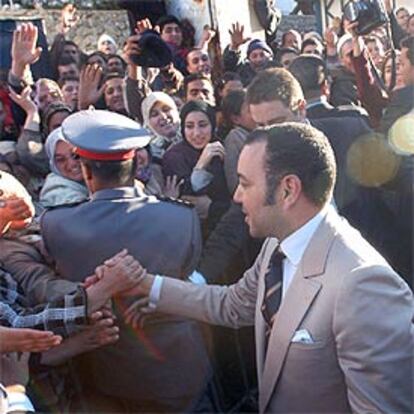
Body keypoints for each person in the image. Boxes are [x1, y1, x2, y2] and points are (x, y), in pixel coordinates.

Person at [121, 123, 413, 413]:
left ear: (288, 190)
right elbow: (232, 304)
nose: (236, 196)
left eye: (245, 183)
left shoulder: (364, 285)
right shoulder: (277, 245)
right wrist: (149, 285)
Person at [40, 110, 212, 412]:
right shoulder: (181, 217)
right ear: (135, 164)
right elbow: (186, 276)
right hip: (178, 371)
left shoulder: (56, 224)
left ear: (87, 172)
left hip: (105, 376)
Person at [162, 100, 230, 230]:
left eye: (203, 125)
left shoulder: (222, 148)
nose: (197, 133)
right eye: (189, 126)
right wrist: (201, 165)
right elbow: (189, 199)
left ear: (213, 125)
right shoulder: (174, 157)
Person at [40, 127, 88, 208]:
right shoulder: (56, 189)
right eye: (61, 160)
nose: (71, 164)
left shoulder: (100, 174)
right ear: (53, 164)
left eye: (76, 156)